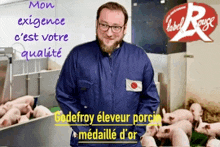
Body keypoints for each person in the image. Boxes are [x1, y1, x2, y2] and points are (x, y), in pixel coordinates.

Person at [56, 2, 160, 147]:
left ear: (124, 29)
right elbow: (64, 95)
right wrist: (83, 130)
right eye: (104, 25)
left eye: (116, 27)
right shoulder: (78, 56)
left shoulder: (139, 57)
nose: (109, 33)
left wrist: (137, 130)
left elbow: (150, 98)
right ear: (96, 25)